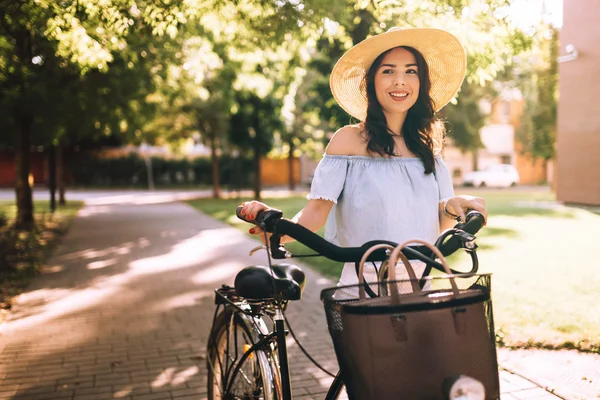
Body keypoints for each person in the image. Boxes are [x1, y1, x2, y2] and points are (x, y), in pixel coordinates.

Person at [239, 27, 487, 296]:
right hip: (361, 290)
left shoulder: (427, 146)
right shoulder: (347, 140)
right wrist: (276, 231)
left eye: (411, 71)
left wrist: (453, 207)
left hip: (421, 289)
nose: (400, 81)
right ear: (372, 81)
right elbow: (316, 213)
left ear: (421, 81)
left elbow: (431, 225)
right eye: (388, 71)